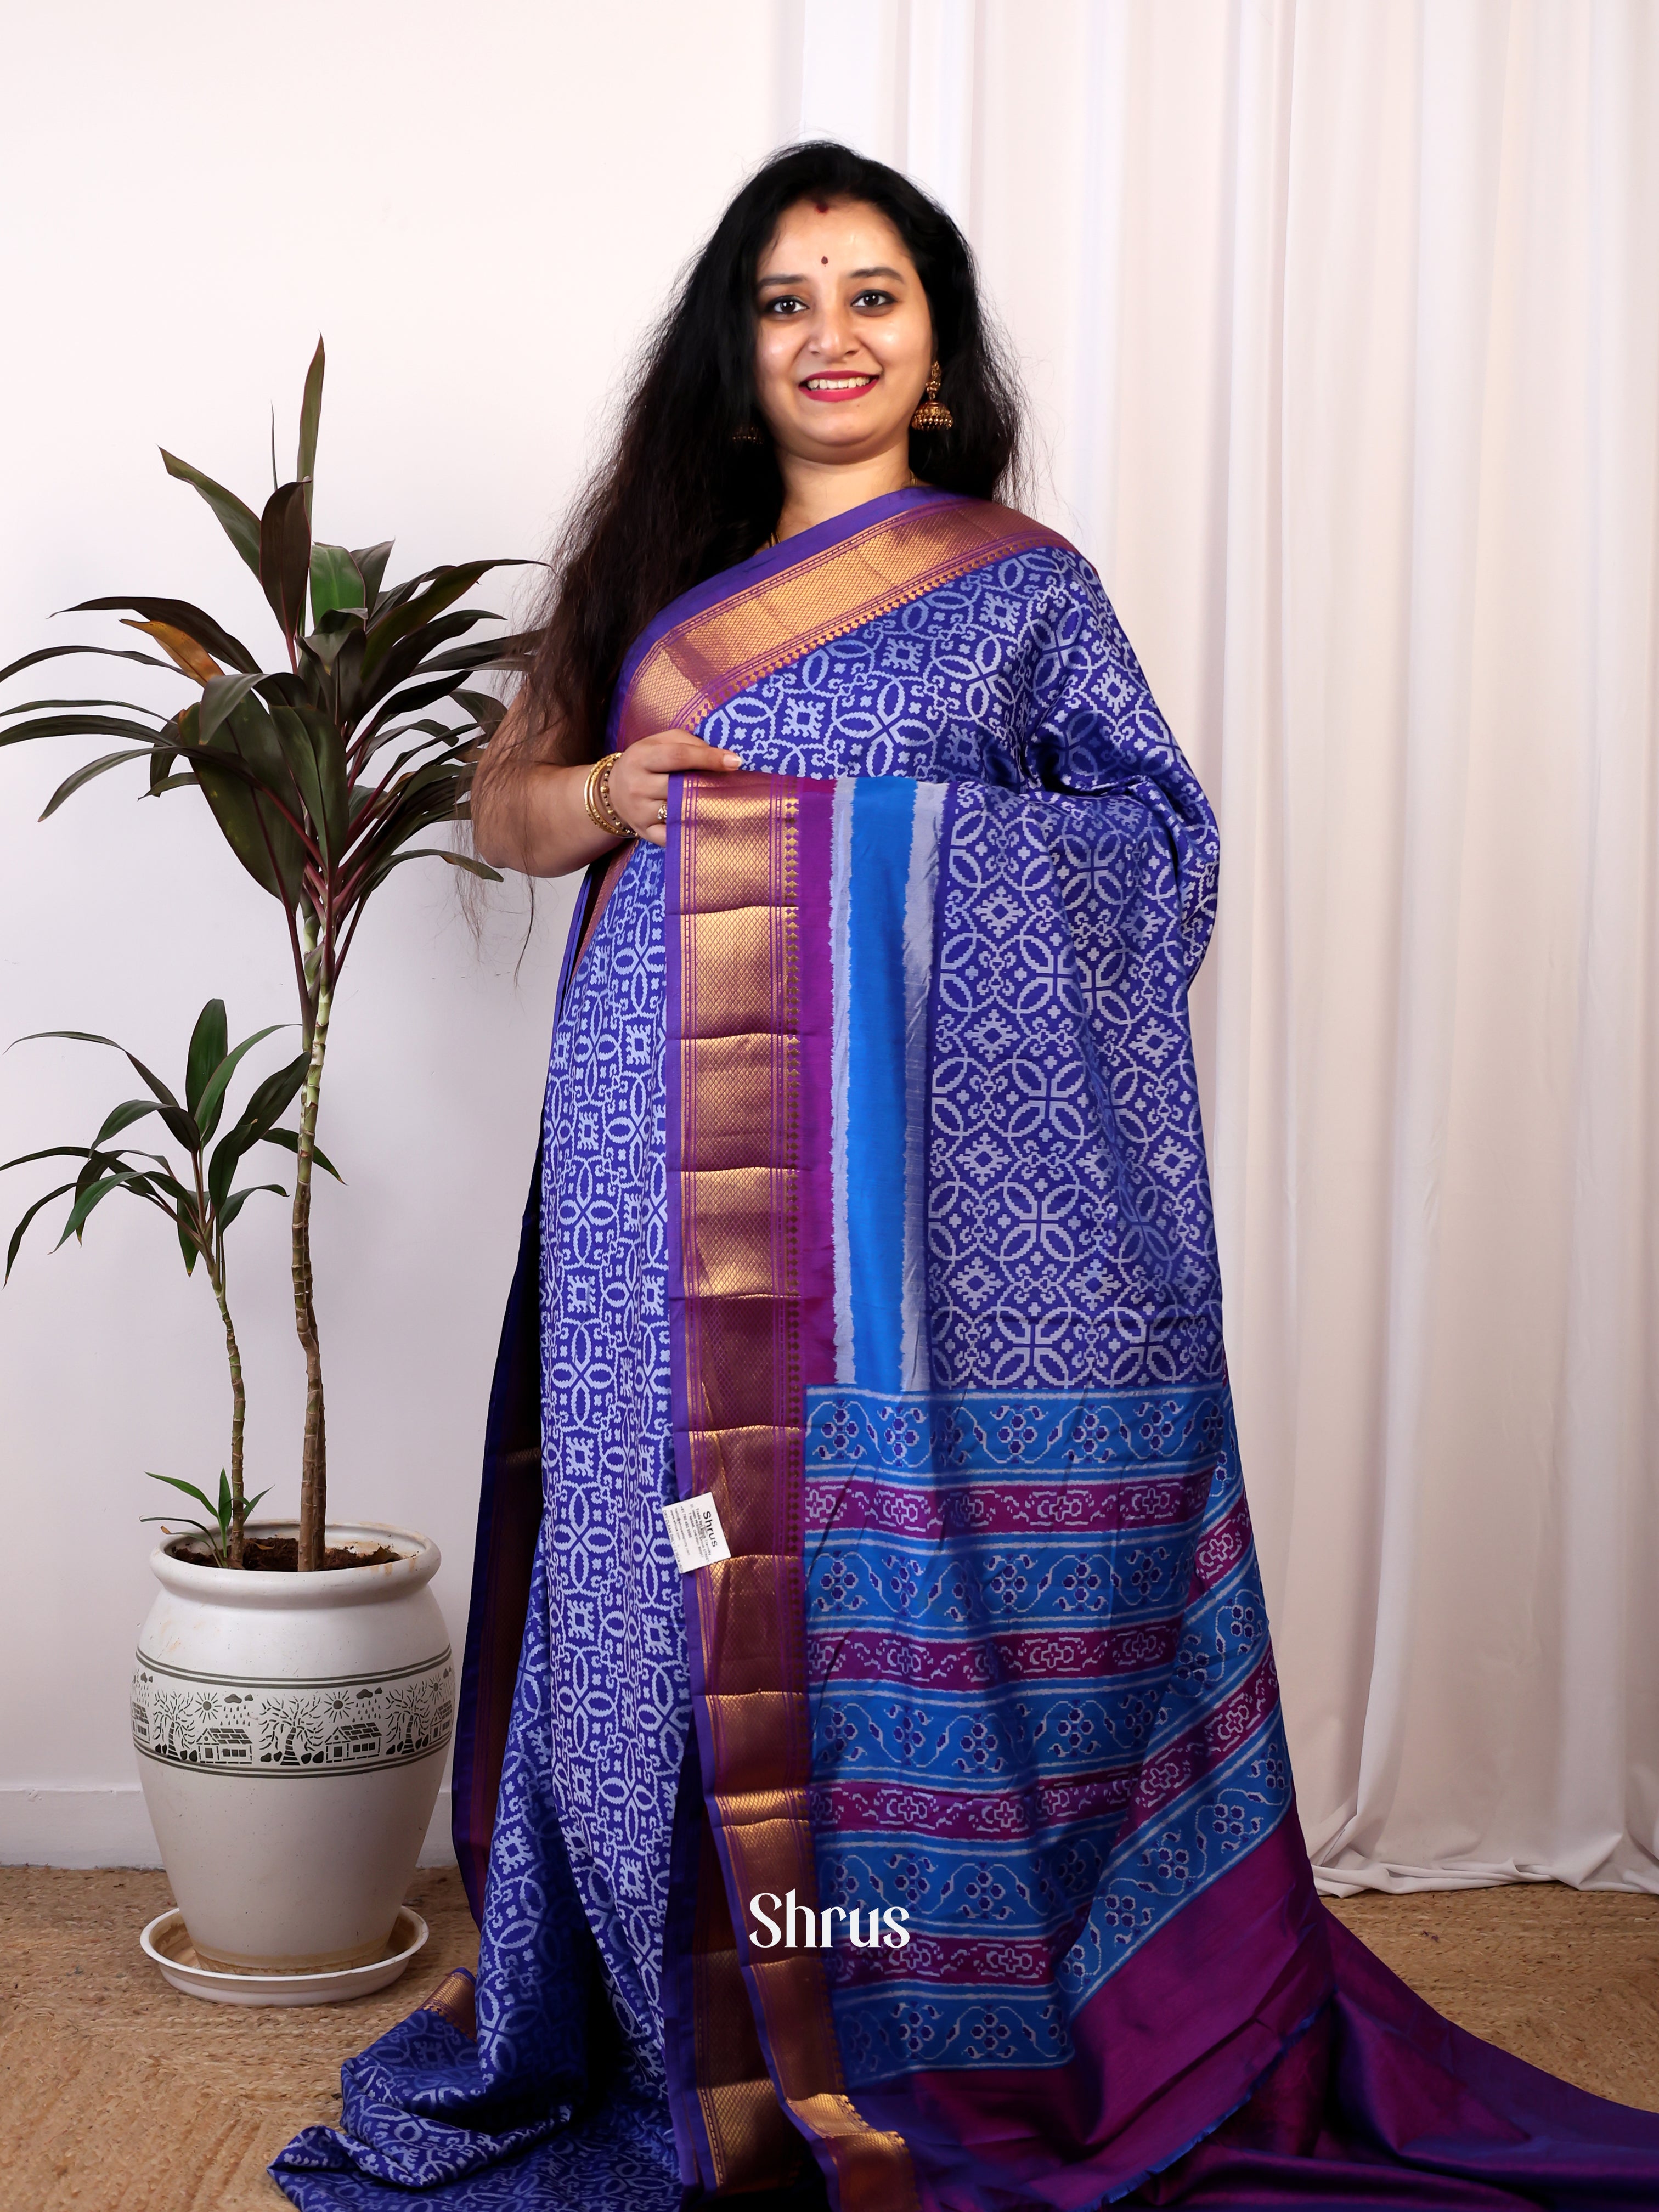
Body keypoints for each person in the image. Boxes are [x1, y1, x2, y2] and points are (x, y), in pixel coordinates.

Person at [273, 141, 1659, 2212]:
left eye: (874, 297)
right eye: (785, 301)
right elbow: (506, 812)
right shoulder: (657, 576)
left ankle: (911, 2012)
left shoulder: (1025, 589)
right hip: (657, 1160)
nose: (829, 335)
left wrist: (874, 852)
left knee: (881, 1564)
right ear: (736, 353)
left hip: (919, 1208)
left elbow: (1160, 858)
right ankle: (672, 2023)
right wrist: (616, 788)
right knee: (664, 1563)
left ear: (938, 354)